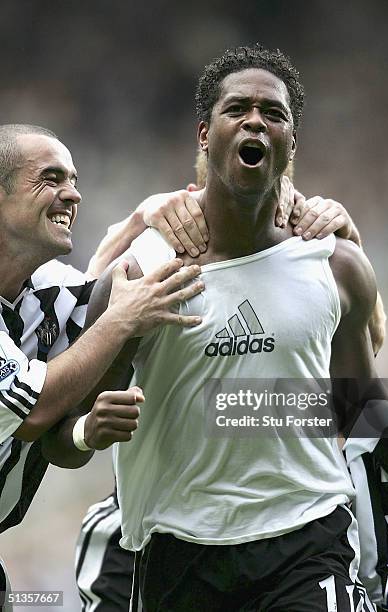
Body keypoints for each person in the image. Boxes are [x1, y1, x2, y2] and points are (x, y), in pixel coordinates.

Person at [64, 45, 383, 611]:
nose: (256, 120)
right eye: (237, 109)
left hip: (309, 539)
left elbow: (358, 406)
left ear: (291, 144)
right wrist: (90, 428)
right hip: (179, 545)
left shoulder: (335, 264)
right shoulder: (142, 271)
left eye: (274, 113)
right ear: (204, 134)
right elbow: (68, 430)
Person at [0, 123, 208, 609]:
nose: (72, 194)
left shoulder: (46, 287)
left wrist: (146, 216)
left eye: (73, 179)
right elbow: (33, 411)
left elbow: (108, 283)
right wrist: (121, 320)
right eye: (50, 179)